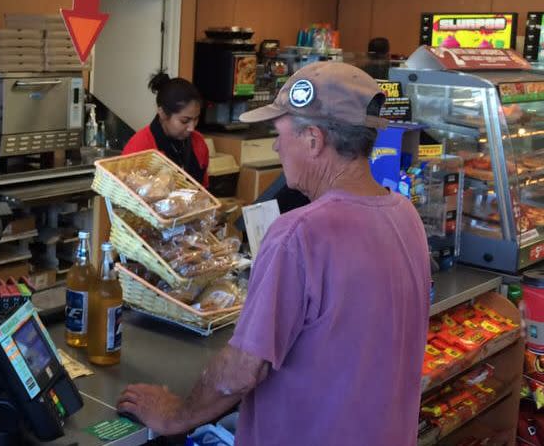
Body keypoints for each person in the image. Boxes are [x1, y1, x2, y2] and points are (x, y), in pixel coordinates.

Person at [117, 61, 430, 445]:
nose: (278, 145)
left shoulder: (299, 234)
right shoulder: (406, 215)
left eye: (280, 133)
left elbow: (242, 371)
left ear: (313, 140)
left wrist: (175, 414)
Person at [122, 72, 208, 187]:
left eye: (196, 119)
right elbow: (126, 195)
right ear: (162, 113)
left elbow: (204, 190)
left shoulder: (198, 142)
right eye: (184, 121)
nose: (192, 128)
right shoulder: (140, 147)